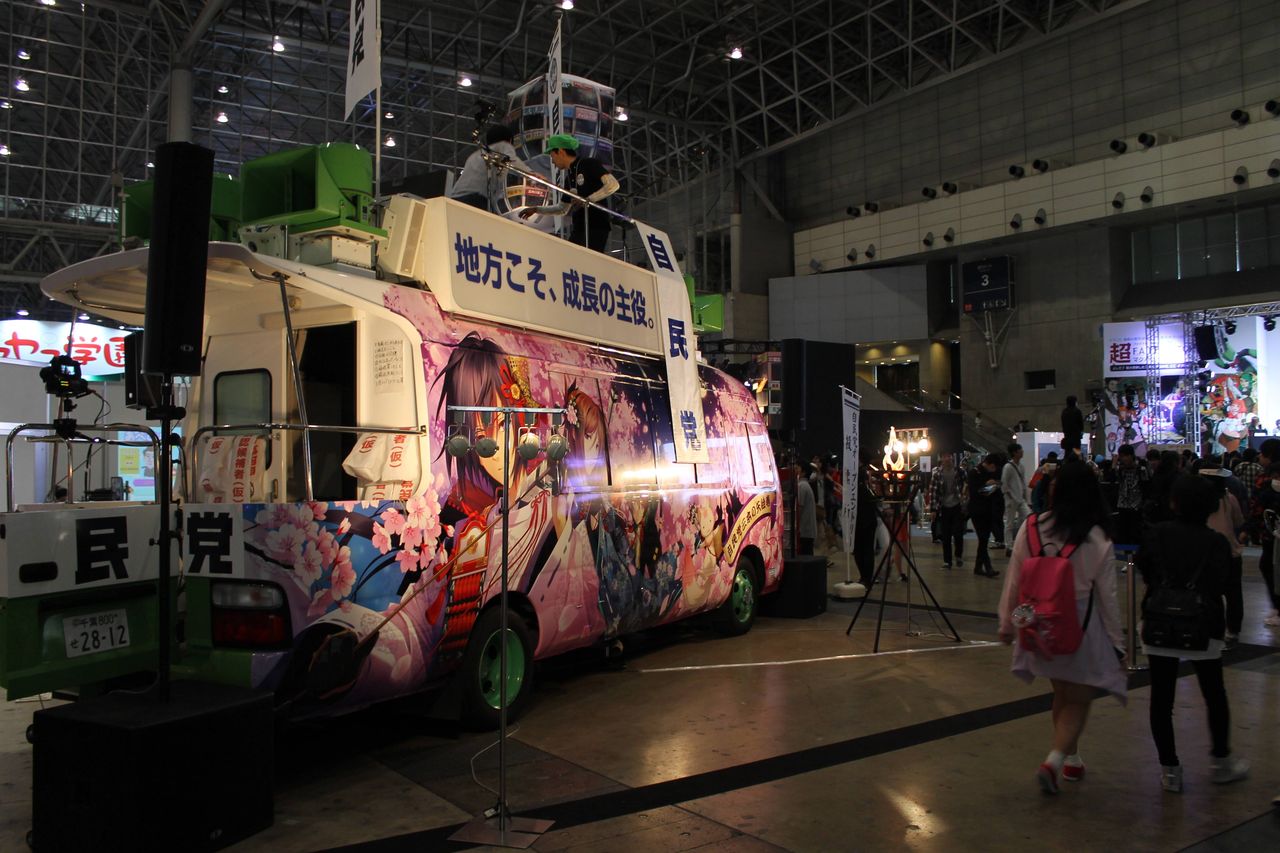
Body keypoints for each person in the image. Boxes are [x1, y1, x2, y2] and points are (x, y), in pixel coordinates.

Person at [997, 460, 1126, 794]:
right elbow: (1108, 597)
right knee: (1079, 699)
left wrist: (1007, 623)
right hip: (1081, 626)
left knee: (1062, 694)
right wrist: (1117, 643)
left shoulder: (1031, 527)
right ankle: (1054, 761)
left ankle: (1072, 758)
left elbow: (1014, 581)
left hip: (1040, 625)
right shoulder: (1098, 538)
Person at [1136, 473, 1249, 792]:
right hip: (1203, 625)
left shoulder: (1156, 534)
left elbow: (1145, 568)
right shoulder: (1216, 542)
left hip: (1159, 622)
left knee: (1161, 699)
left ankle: (1169, 769)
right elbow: (1221, 583)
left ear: (1174, 503)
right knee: (1214, 694)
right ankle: (1221, 762)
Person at [519, 134, 619, 253]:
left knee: (589, 260)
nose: (553, 161)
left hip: (596, 226)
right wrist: (536, 209)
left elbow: (613, 184)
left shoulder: (588, 163)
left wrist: (588, 199)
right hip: (578, 227)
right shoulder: (569, 178)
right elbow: (562, 209)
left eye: (552, 156)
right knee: (571, 257)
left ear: (561, 152)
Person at [1200, 465, 1245, 647]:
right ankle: (1233, 631)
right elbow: (1238, 522)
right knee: (1234, 595)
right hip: (1231, 552)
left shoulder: (1197, 500)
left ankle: (1212, 631)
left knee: (1210, 595)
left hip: (1206, 555)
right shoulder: (1229, 498)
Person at [448, 124, 528, 212]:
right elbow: (511, 159)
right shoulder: (503, 145)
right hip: (475, 198)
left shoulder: (475, 155)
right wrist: (531, 173)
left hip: (454, 199)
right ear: (509, 140)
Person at [927, 452, 967, 569]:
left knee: (958, 533)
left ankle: (958, 555)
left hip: (957, 505)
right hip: (943, 507)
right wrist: (933, 509)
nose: (947, 459)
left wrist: (965, 498)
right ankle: (947, 561)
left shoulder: (960, 472)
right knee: (946, 535)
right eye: (944, 456)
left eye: (949, 456)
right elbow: (933, 492)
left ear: (952, 458)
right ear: (941, 459)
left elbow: (967, 484)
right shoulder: (937, 474)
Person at [967, 454, 1002, 578]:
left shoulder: (992, 473)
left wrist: (994, 485)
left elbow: (997, 488)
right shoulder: (974, 472)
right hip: (977, 510)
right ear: (989, 464)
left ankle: (978, 566)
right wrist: (987, 486)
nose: (994, 470)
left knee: (984, 539)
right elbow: (975, 493)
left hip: (989, 510)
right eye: (993, 467)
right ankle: (988, 567)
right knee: (982, 538)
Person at [852, 452, 879, 586]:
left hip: (861, 520)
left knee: (861, 550)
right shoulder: (870, 474)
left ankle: (865, 578)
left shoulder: (861, 477)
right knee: (866, 549)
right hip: (869, 519)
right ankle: (866, 578)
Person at [1002, 443, 1030, 557]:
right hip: (1011, 499)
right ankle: (1008, 546)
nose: (1022, 452)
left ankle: (1020, 542)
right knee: (1009, 523)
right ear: (1014, 453)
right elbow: (1004, 483)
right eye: (1020, 450)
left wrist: (1025, 497)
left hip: (1020, 499)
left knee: (1028, 517)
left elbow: (1023, 482)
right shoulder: (1008, 467)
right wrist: (1009, 496)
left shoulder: (1021, 466)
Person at [793, 463, 817, 556]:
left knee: (805, 556)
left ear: (803, 472)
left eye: (797, 468)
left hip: (805, 530)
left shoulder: (802, 486)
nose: (795, 470)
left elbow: (799, 507)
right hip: (807, 530)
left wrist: (795, 525)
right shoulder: (805, 485)